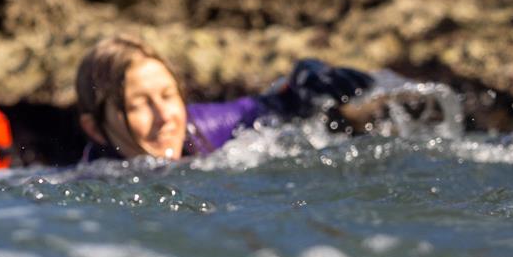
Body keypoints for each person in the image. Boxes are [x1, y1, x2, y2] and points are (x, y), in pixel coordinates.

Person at [74, 36, 376, 163]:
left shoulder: (203, 127)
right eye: (138, 105)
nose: (165, 116)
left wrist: (311, 75)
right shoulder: (89, 185)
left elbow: (281, 102)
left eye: (168, 96)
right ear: (94, 129)